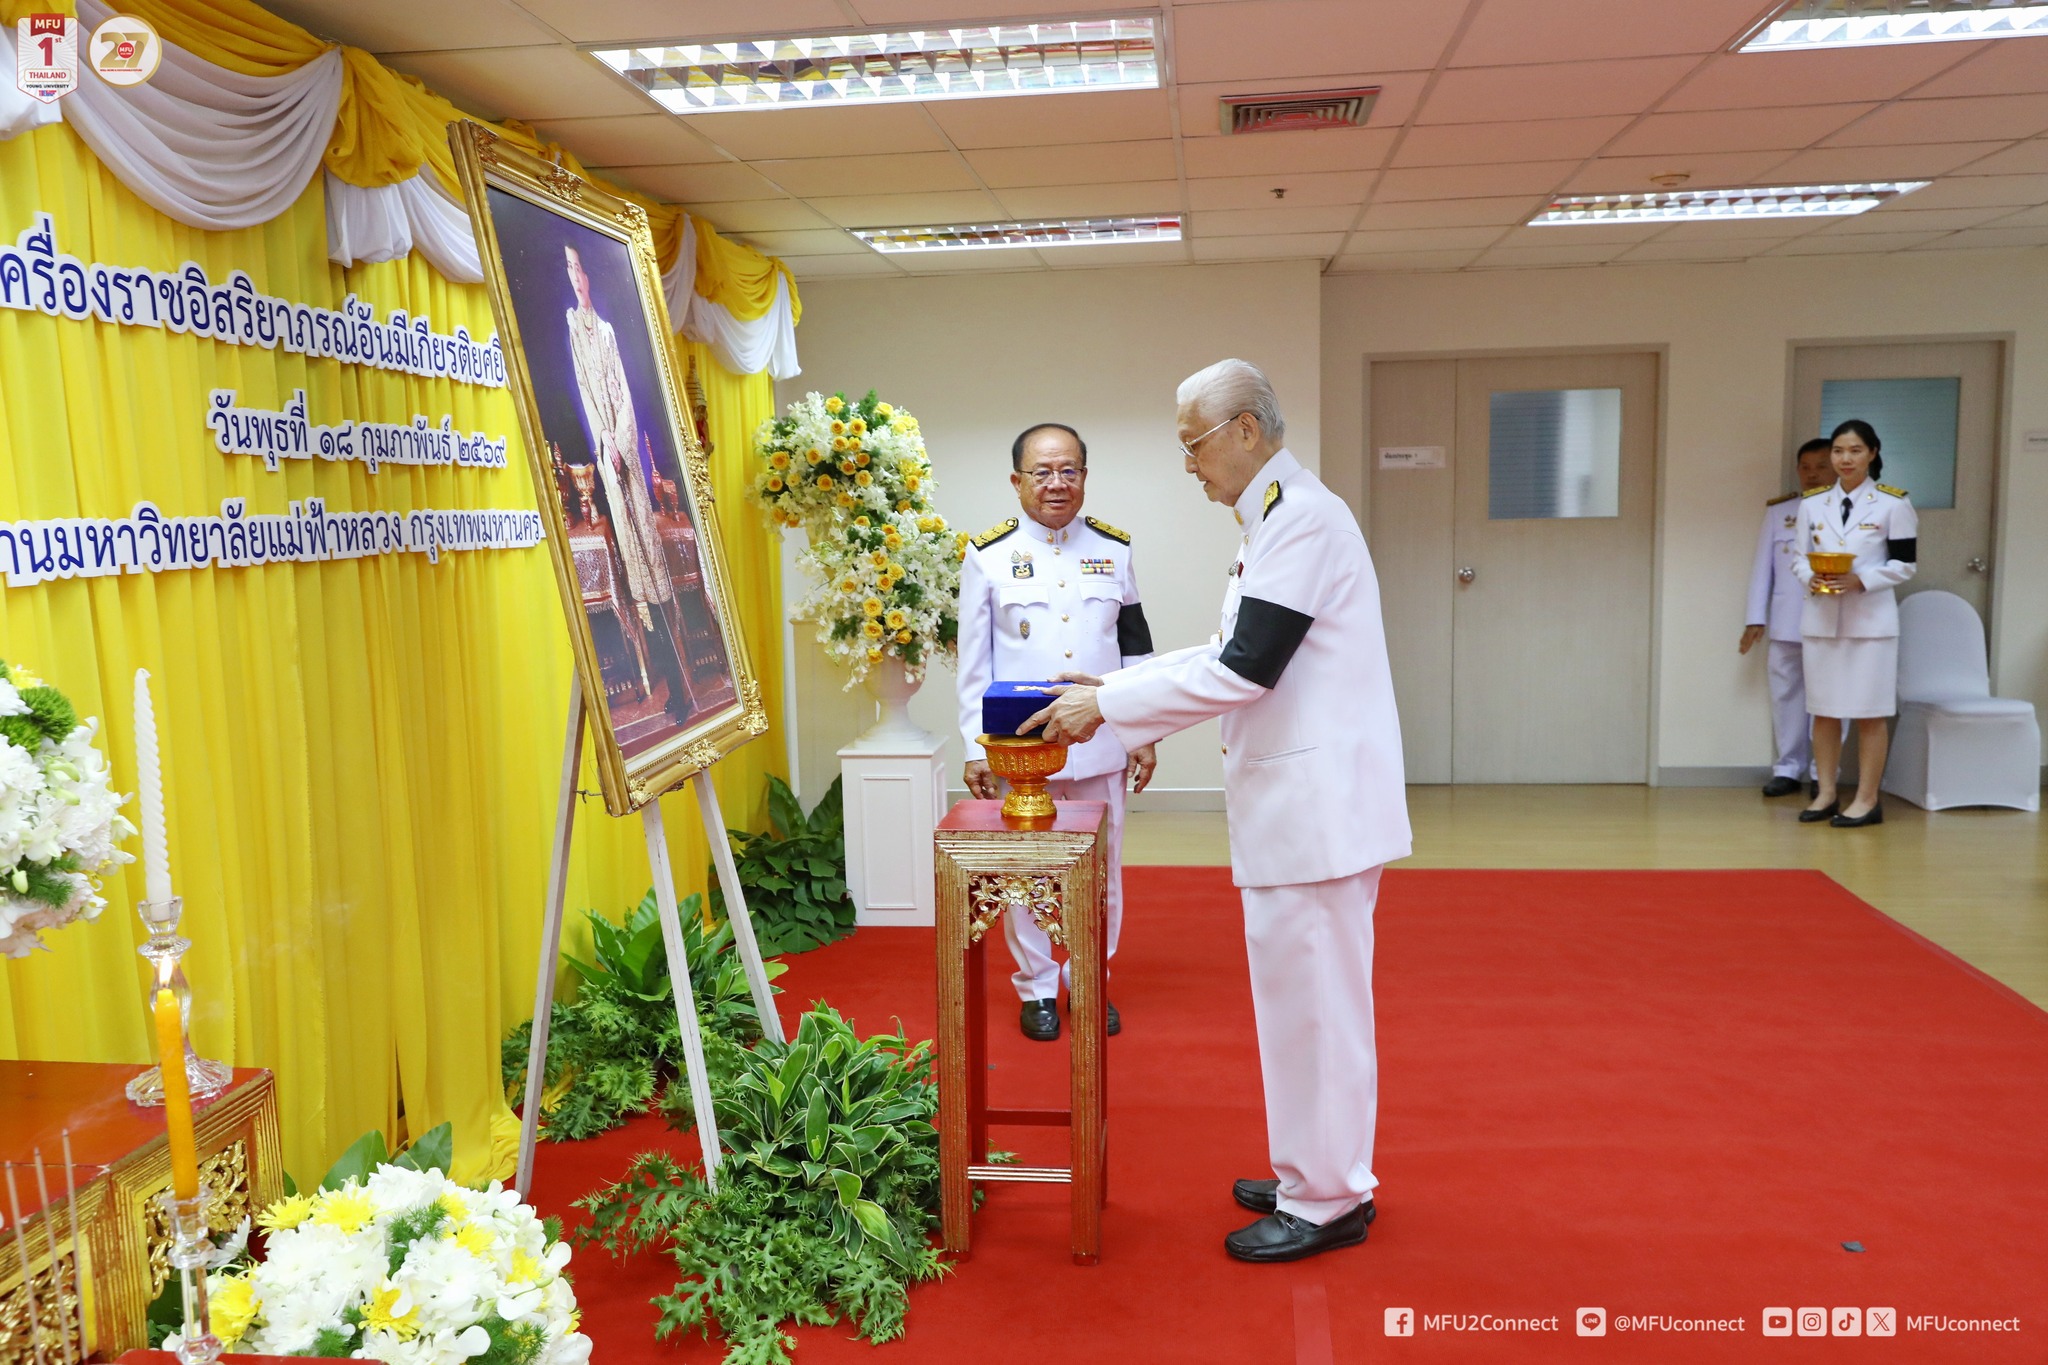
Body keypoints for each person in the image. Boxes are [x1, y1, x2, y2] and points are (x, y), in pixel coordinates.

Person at [1023, 360, 1410, 1264]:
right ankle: (1315, 1169)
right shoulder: (1275, 518)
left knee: (1318, 1008)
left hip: (1319, 815)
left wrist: (1106, 710)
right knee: (1299, 1004)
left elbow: (1246, 669)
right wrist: (1116, 680)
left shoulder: (1302, 520)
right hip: (1303, 809)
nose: (1189, 465)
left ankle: (1328, 1198)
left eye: (1193, 445)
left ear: (1244, 430)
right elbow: (1226, 645)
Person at [957, 422, 1157, 1041]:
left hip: (1101, 743)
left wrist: (1144, 728)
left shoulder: (1115, 550)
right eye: (1041, 472)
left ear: (1085, 478)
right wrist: (975, 746)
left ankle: (1089, 982)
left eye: (1068, 470)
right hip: (1023, 752)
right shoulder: (987, 555)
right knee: (1027, 871)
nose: (1056, 483)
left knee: (1103, 868)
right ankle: (1039, 988)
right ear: (1016, 480)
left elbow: (1135, 649)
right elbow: (974, 662)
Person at [564, 243, 692, 714]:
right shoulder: (573, 328)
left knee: (656, 571)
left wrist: (619, 443)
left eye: (580, 267)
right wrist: (604, 444)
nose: (576, 276)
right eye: (569, 269)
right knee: (635, 580)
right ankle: (666, 678)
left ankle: (682, 685)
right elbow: (586, 391)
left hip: (627, 459)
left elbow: (621, 393)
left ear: (590, 275)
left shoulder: (608, 330)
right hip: (607, 459)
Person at [1791, 418, 1917, 828]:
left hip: (1870, 625)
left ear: (1873, 454)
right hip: (1822, 620)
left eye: (1855, 451)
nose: (1845, 459)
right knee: (1823, 711)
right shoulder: (1811, 504)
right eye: (1839, 451)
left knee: (1869, 713)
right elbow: (1797, 557)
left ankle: (1866, 799)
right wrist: (1812, 577)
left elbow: (1905, 565)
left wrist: (1861, 579)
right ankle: (1827, 792)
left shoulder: (1892, 503)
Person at [1741, 438, 1837, 797]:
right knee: (1786, 697)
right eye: (1805, 467)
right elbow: (1762, 569)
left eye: (1820, 465)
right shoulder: (1780, 512)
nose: (1811, 473)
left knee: (1830, 698)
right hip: (1787, 620)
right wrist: (1755, 618)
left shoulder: (1850, 511)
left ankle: (1823, 772)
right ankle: (1788, 768)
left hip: (1833, 621)